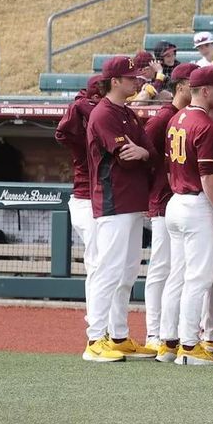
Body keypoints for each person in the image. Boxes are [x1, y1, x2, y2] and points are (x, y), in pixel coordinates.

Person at [81, 55, 155, 363]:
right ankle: (95, 339)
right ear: (115, 81)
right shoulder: (103, 114)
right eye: (130, 78)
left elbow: (148, 150)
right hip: (113, 200)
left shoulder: (126, 112)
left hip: (131, 200)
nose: (136, 81)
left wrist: (143, 153)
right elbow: (126, 154)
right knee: (108, 270)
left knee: (126, 272)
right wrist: (141, 153)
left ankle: (119, 335)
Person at [163, 64, 213, 366]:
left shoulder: (177, 117)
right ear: (205, 91)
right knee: (198, 279)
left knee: (177, 277)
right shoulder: (206, 124)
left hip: (176, 201)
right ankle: (189, 346)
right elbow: (207, 175)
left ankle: (168, 343)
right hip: (197, 203)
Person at [143, 63, 195, 359]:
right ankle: (154, 332)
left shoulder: (183, 116)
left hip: (173, 200)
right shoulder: (164, 117)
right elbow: (145, 155)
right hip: (163, 199)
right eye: (190, 84)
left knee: (176, 270)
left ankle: (169, 331)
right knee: (162, 268)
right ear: (180, 87)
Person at [55, 72, 106, 337]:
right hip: (85, 198)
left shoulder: (106, 112)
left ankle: (101, 321)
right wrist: (83, 106)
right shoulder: (80, 108)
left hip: (100, 197)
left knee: (104, 264)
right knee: (97, 263)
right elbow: (62, 133)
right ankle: (96, 327)